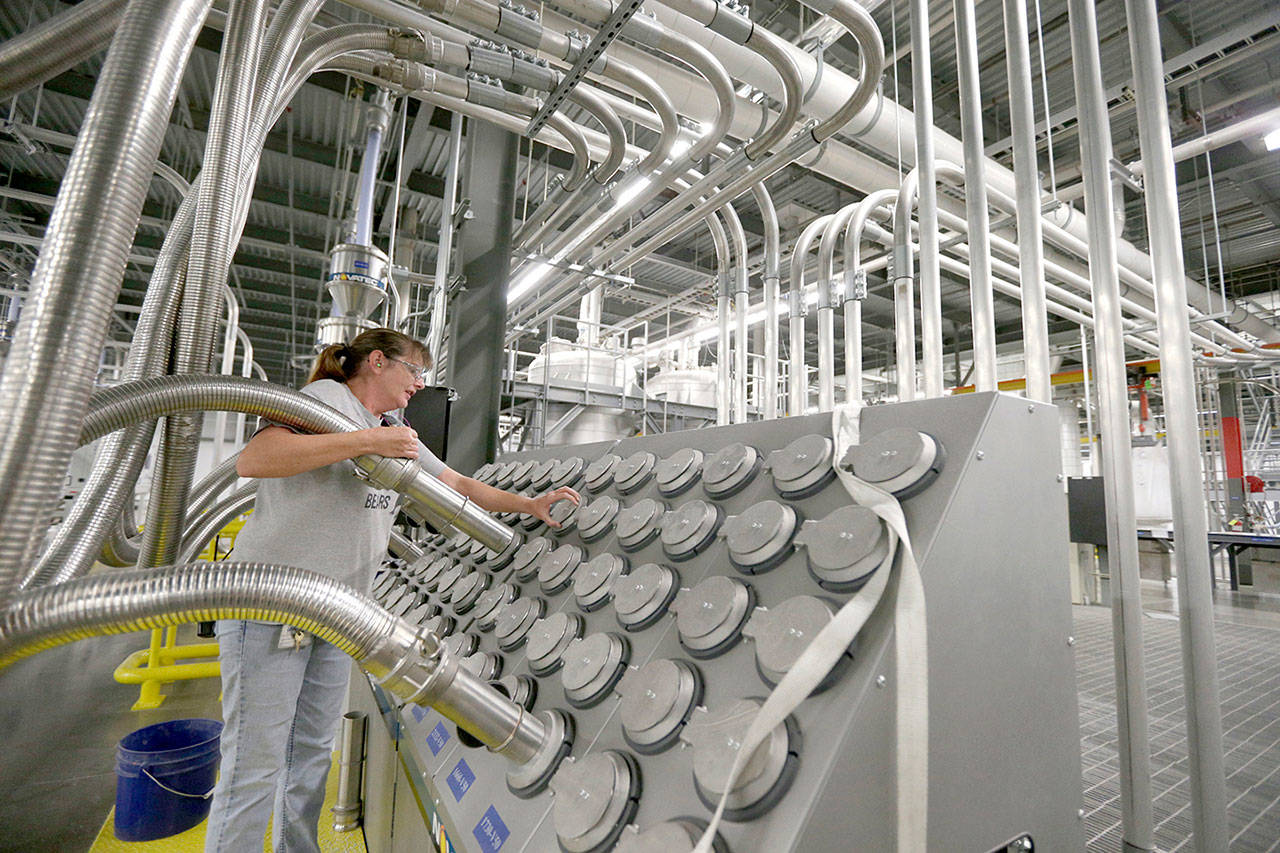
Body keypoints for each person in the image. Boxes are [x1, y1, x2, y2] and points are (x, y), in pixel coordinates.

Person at [203, 327, 579, 853]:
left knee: (310, 754)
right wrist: (367, 443)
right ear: (377, 363)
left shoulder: (392, 426)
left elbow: (455, 484)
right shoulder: (327, 400)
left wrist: (529, 504)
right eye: (414, 371)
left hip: (339, 612)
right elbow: (256, 460)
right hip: (273, 604)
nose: (419, 385)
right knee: (254, 764)